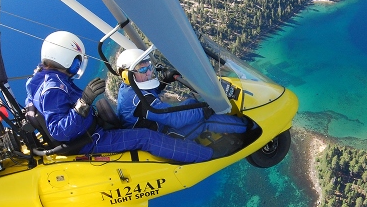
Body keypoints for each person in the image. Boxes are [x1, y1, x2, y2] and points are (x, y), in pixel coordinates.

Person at [24, 31, 213, 164]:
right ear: (64, 59)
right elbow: (59, 131)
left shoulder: (39, 79)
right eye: (76, 61)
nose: (77, 67)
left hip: (89, 131)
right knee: (146, 137)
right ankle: (208, 156)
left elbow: (35, 104)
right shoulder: (53, 88)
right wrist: (84, 102)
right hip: (91, 141)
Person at [115, 48, 249, 142]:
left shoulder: (128, 87)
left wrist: (164, 81)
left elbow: (149, 95)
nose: (148, 72)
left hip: (155, 127)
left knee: (191, 103)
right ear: (127, 75)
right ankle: (248, 127)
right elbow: (176, 119)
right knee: (206, 119)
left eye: (148, 67)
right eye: (143, 69)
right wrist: (208, 109)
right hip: (161, 137)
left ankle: (230, 124)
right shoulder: (139, 102)